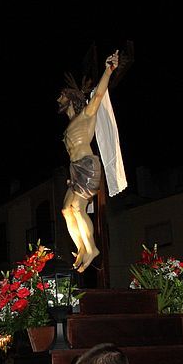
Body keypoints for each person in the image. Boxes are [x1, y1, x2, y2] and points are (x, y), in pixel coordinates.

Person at [57, 50, 119, 273]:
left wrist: (108, 70)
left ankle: (92, 249)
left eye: (61, 95)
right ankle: (82, 247)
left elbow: (99, 95)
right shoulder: (69, 126)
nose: (58, 99)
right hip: (75, 169)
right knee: (66, 210)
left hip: (87, 165)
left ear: (71, 98)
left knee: (77, 207)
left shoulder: (86, 115)